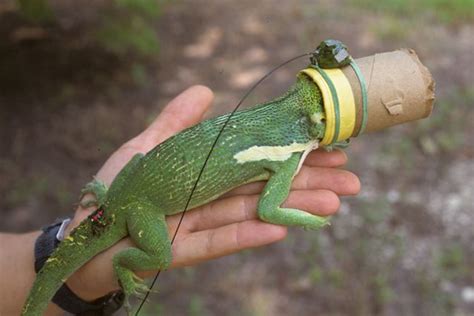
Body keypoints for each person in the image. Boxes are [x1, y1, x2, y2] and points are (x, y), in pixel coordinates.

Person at [0, 86, 360, 315]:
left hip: (132, 185)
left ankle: (109, 201)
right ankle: (124, 265)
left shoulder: (269, 120)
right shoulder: (284, 156)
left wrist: (110, 197)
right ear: (314, 126)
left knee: (140, 166)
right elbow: (267, 209)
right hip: (140, 208)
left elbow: (138, 161)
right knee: (162, 254)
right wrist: (312, 220)